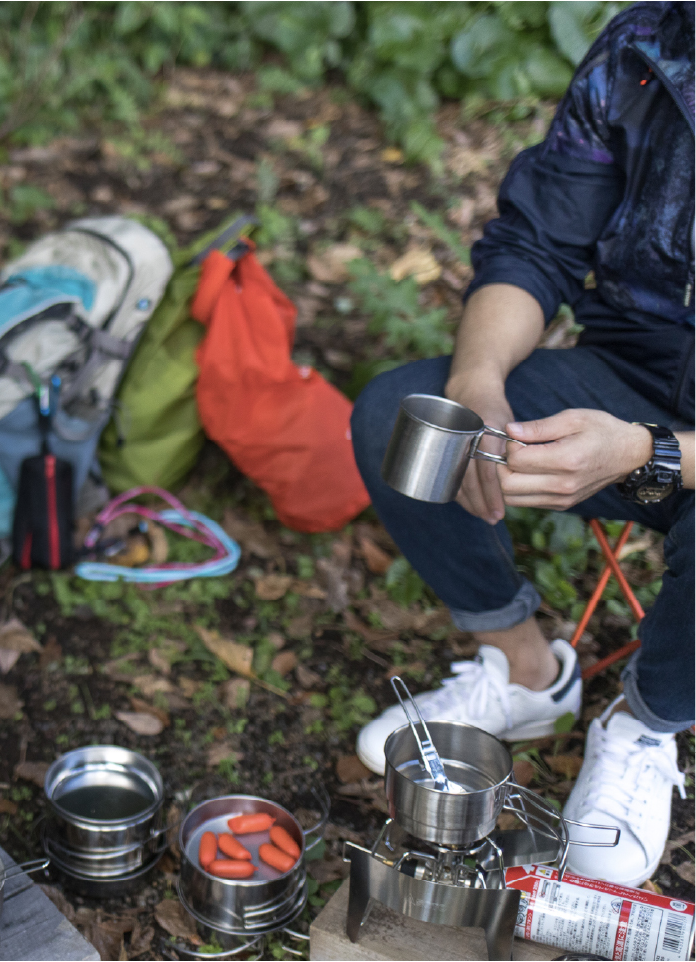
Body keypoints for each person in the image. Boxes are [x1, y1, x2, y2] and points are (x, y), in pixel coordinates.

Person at [351, 1, 692, 887]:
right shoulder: (651, 43)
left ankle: (647, 726)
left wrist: (646, 454)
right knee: (402, 412)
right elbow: (535, 243)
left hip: (661, 437)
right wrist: (478, 381)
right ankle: (525, 668)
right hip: (628, 369)